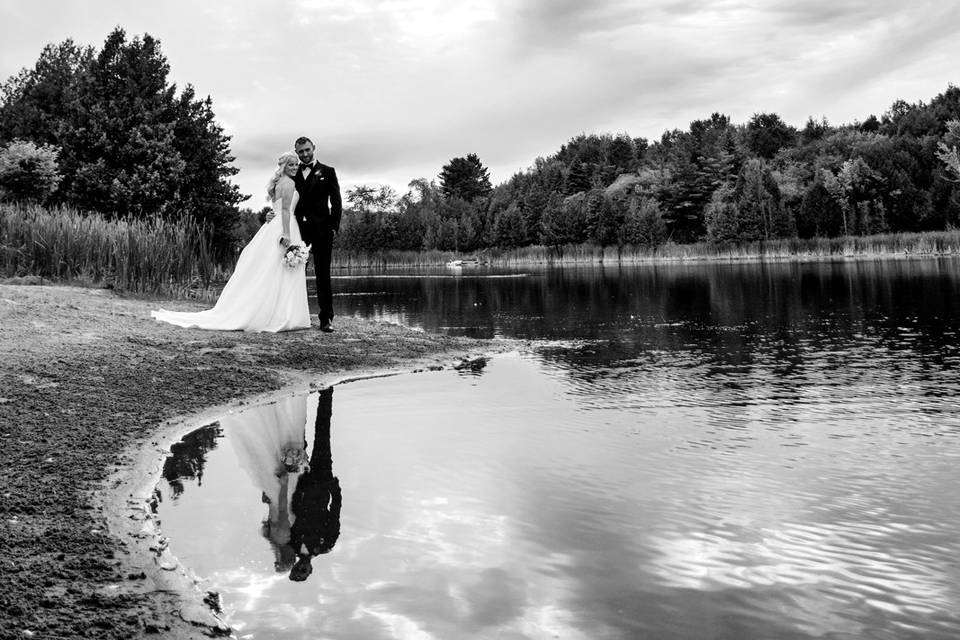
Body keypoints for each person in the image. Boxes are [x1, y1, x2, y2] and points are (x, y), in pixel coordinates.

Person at [151, 151, 311, 332]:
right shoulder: (289, 183)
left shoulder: (277, 184)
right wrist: (287, 235)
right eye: (291, 164)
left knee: (271, 270)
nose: (295, 167)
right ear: (283, 166)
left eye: (296, 164)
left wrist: (273, 220)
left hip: (272, 226)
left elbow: (275, 208)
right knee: (279, 270)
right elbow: (285, 211)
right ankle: (282, 315)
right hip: (284, 226)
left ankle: (274, 312)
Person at [287, 386, 342, 582]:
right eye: (304, 571)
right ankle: (326, 393)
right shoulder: (327, 544)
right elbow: (335, 511)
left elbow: (291, 514)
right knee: (322, 433)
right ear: (310, 571)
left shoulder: (292, 543)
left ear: (293, 567)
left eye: (297, 570)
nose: (301, 567)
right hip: (322, 480)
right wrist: (334, 488)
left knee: (297, 441)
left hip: (300, 482)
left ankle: (298, 399)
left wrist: (294, 492)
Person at [291, 136, 342, 332]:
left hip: (322, 230)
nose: (304, 154)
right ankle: (295, 316)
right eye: (300, 151)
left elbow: (336, 201)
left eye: (307, 150)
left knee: (323, 275)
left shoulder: (328, 172)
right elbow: (282, 199)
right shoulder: (291, 173)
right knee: (295, 273)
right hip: (298, 230)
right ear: (296, 152)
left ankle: (326, 319)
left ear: (314, 148)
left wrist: (333, 226)